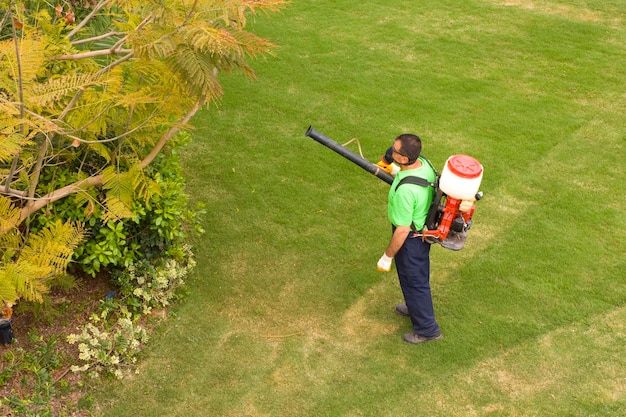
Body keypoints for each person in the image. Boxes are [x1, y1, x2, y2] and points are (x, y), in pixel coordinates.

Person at [376, 134, 442, 344]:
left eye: (395, 151)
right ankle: (414, 307)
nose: (390, 152)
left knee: (415, 281)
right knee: (413, 277)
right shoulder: (424, 163)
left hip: (411, 238)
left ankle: (427, 330)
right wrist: (395, 172)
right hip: (420, 232)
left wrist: (387, 257)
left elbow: (402, 231)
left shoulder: (406, 192)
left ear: (404, 159)